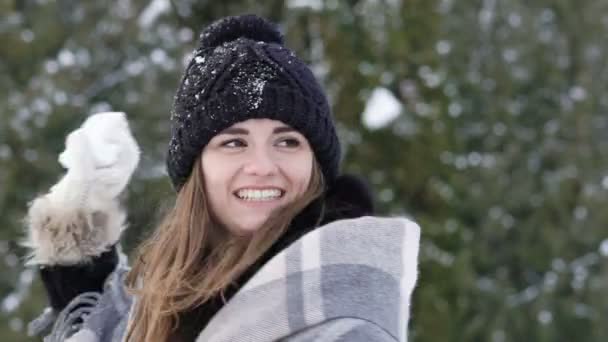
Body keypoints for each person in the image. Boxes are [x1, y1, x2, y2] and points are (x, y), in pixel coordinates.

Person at [24, 14, 420, 342]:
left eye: (287, 141)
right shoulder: (180, 292)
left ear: (316, 163)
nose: (262, 165)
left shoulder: (343, 319)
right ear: (198, 169)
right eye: (234, 143)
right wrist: (79, 231)